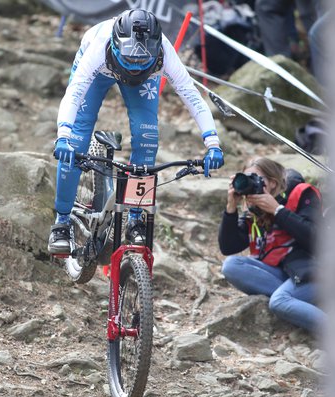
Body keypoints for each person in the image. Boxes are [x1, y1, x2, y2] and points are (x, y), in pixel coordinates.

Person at [48, 9, 224, 254]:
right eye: (130, 58)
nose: (134, 66)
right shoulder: (99, 45)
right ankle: (62, 223)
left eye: (142, 60)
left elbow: (192, 96)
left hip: (146, 79)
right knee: (76, 142)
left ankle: (134, 217)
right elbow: (74, 93)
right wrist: (63, 136)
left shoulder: (164, 50)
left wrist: (213, 143)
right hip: (99, 72)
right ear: (116, 44)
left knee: (147, 138)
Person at [218, 157, 325, 332]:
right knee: (231, 265)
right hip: (286, 277)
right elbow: (228, 247)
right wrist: (231, 208)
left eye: (255, 179)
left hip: (314, 274)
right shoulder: (254, 211)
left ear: (273, 183)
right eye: (247, 179)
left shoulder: (301, 194)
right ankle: (298, 302)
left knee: (279, 302)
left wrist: (277, 210)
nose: (251, 185)